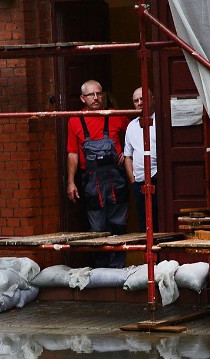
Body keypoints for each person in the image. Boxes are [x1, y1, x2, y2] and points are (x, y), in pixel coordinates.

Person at [67, 80, 129, 268]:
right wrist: (71, 181)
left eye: (99, 94)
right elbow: (73, 153)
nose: (96, 98)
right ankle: (101, 269)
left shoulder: (117, 117)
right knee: (97, 228)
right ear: (82, 98)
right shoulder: (75, 120)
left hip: (116, 178)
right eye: (91, 95)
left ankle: (118, 267)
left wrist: (127, 153)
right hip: (92, 181)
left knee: (118, 224)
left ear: (104, 95)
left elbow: (137, 134)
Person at [123, 87, 159, 232]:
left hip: (158, 179)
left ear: (152, 99)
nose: (139, 103)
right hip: (139, 183)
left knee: (160, 221)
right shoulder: (131, 126)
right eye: (136, 101)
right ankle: (149, 254)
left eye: (142, 99)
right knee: (145, 223)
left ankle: (161, 255)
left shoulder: (160, 122)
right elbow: (128, 156)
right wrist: (133, 180)